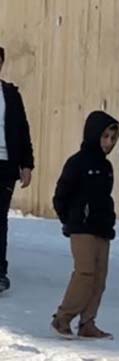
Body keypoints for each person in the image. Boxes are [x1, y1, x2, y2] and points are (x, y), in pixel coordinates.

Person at [50, 111, 119, 339]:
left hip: (102, 228)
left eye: (112, 137)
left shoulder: (107, 167)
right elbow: (61, 195)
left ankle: (88, 321)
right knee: (85, 273)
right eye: (104, 136)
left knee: (100, 277)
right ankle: (63, 317)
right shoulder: (77, 162)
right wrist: (70, 220)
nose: (108, 142)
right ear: (93, 135)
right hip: (82, 228)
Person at [0, 44, 36, 294]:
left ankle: (0, 271)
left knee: (0, 219)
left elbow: (22, 129)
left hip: (5, 164)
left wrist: (27, 163)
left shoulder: (10, 94)